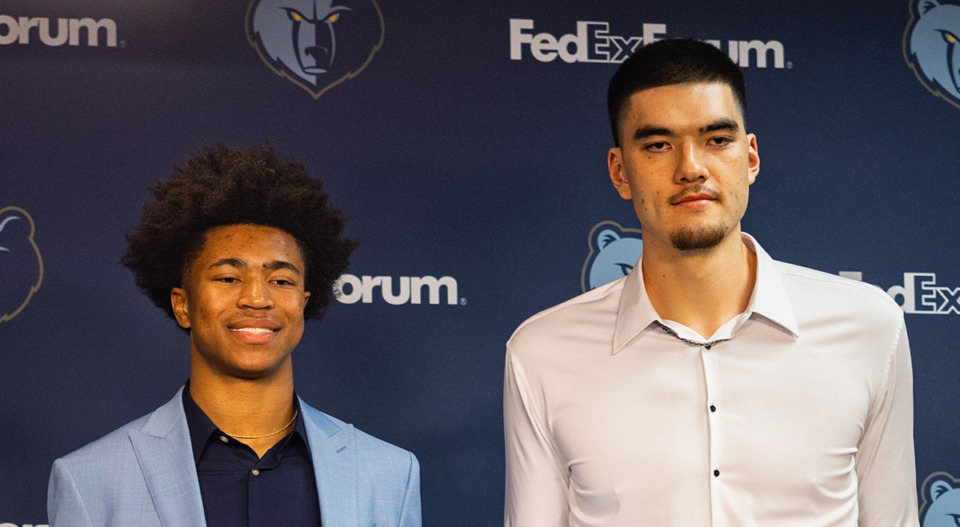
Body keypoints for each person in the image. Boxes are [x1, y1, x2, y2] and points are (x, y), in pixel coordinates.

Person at [503, 39, 918, 526]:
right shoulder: (543, 353)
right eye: (658, 145)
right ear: (620, 172)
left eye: (717, 140)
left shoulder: (868, 327)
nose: (691, 168)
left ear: (751, 156)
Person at [48, 144, 421, 526]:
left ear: (304, 304)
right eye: (228, 278)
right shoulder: (90, 479)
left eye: (280, 280)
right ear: (183, 305)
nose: (258, 298)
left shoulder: (387, 474)